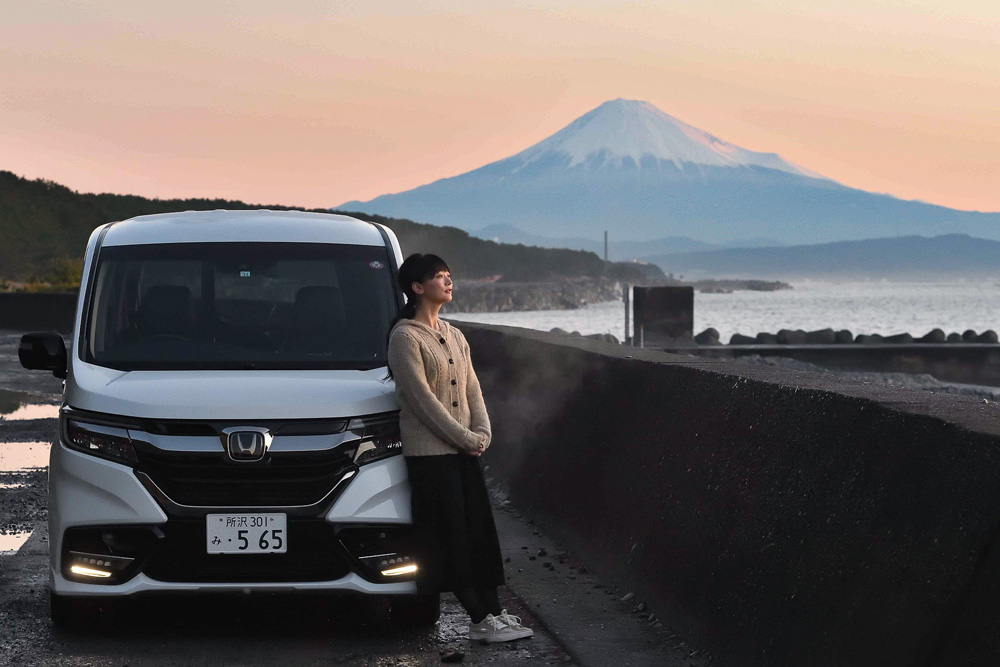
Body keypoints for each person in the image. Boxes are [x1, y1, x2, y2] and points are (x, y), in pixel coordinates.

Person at [386, 253, 533, 643]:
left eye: (450, 275)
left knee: (477, 533)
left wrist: (482, 431)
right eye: (439, 277)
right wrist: (467, 439)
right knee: (449, 539)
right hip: (431, 457)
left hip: (464, 453)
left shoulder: (454, 334)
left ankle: (496, 613)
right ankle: (479, 619)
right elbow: (422, 402)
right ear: (417, 287)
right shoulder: (404, 337)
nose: (449, 282)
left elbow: (472, 390)